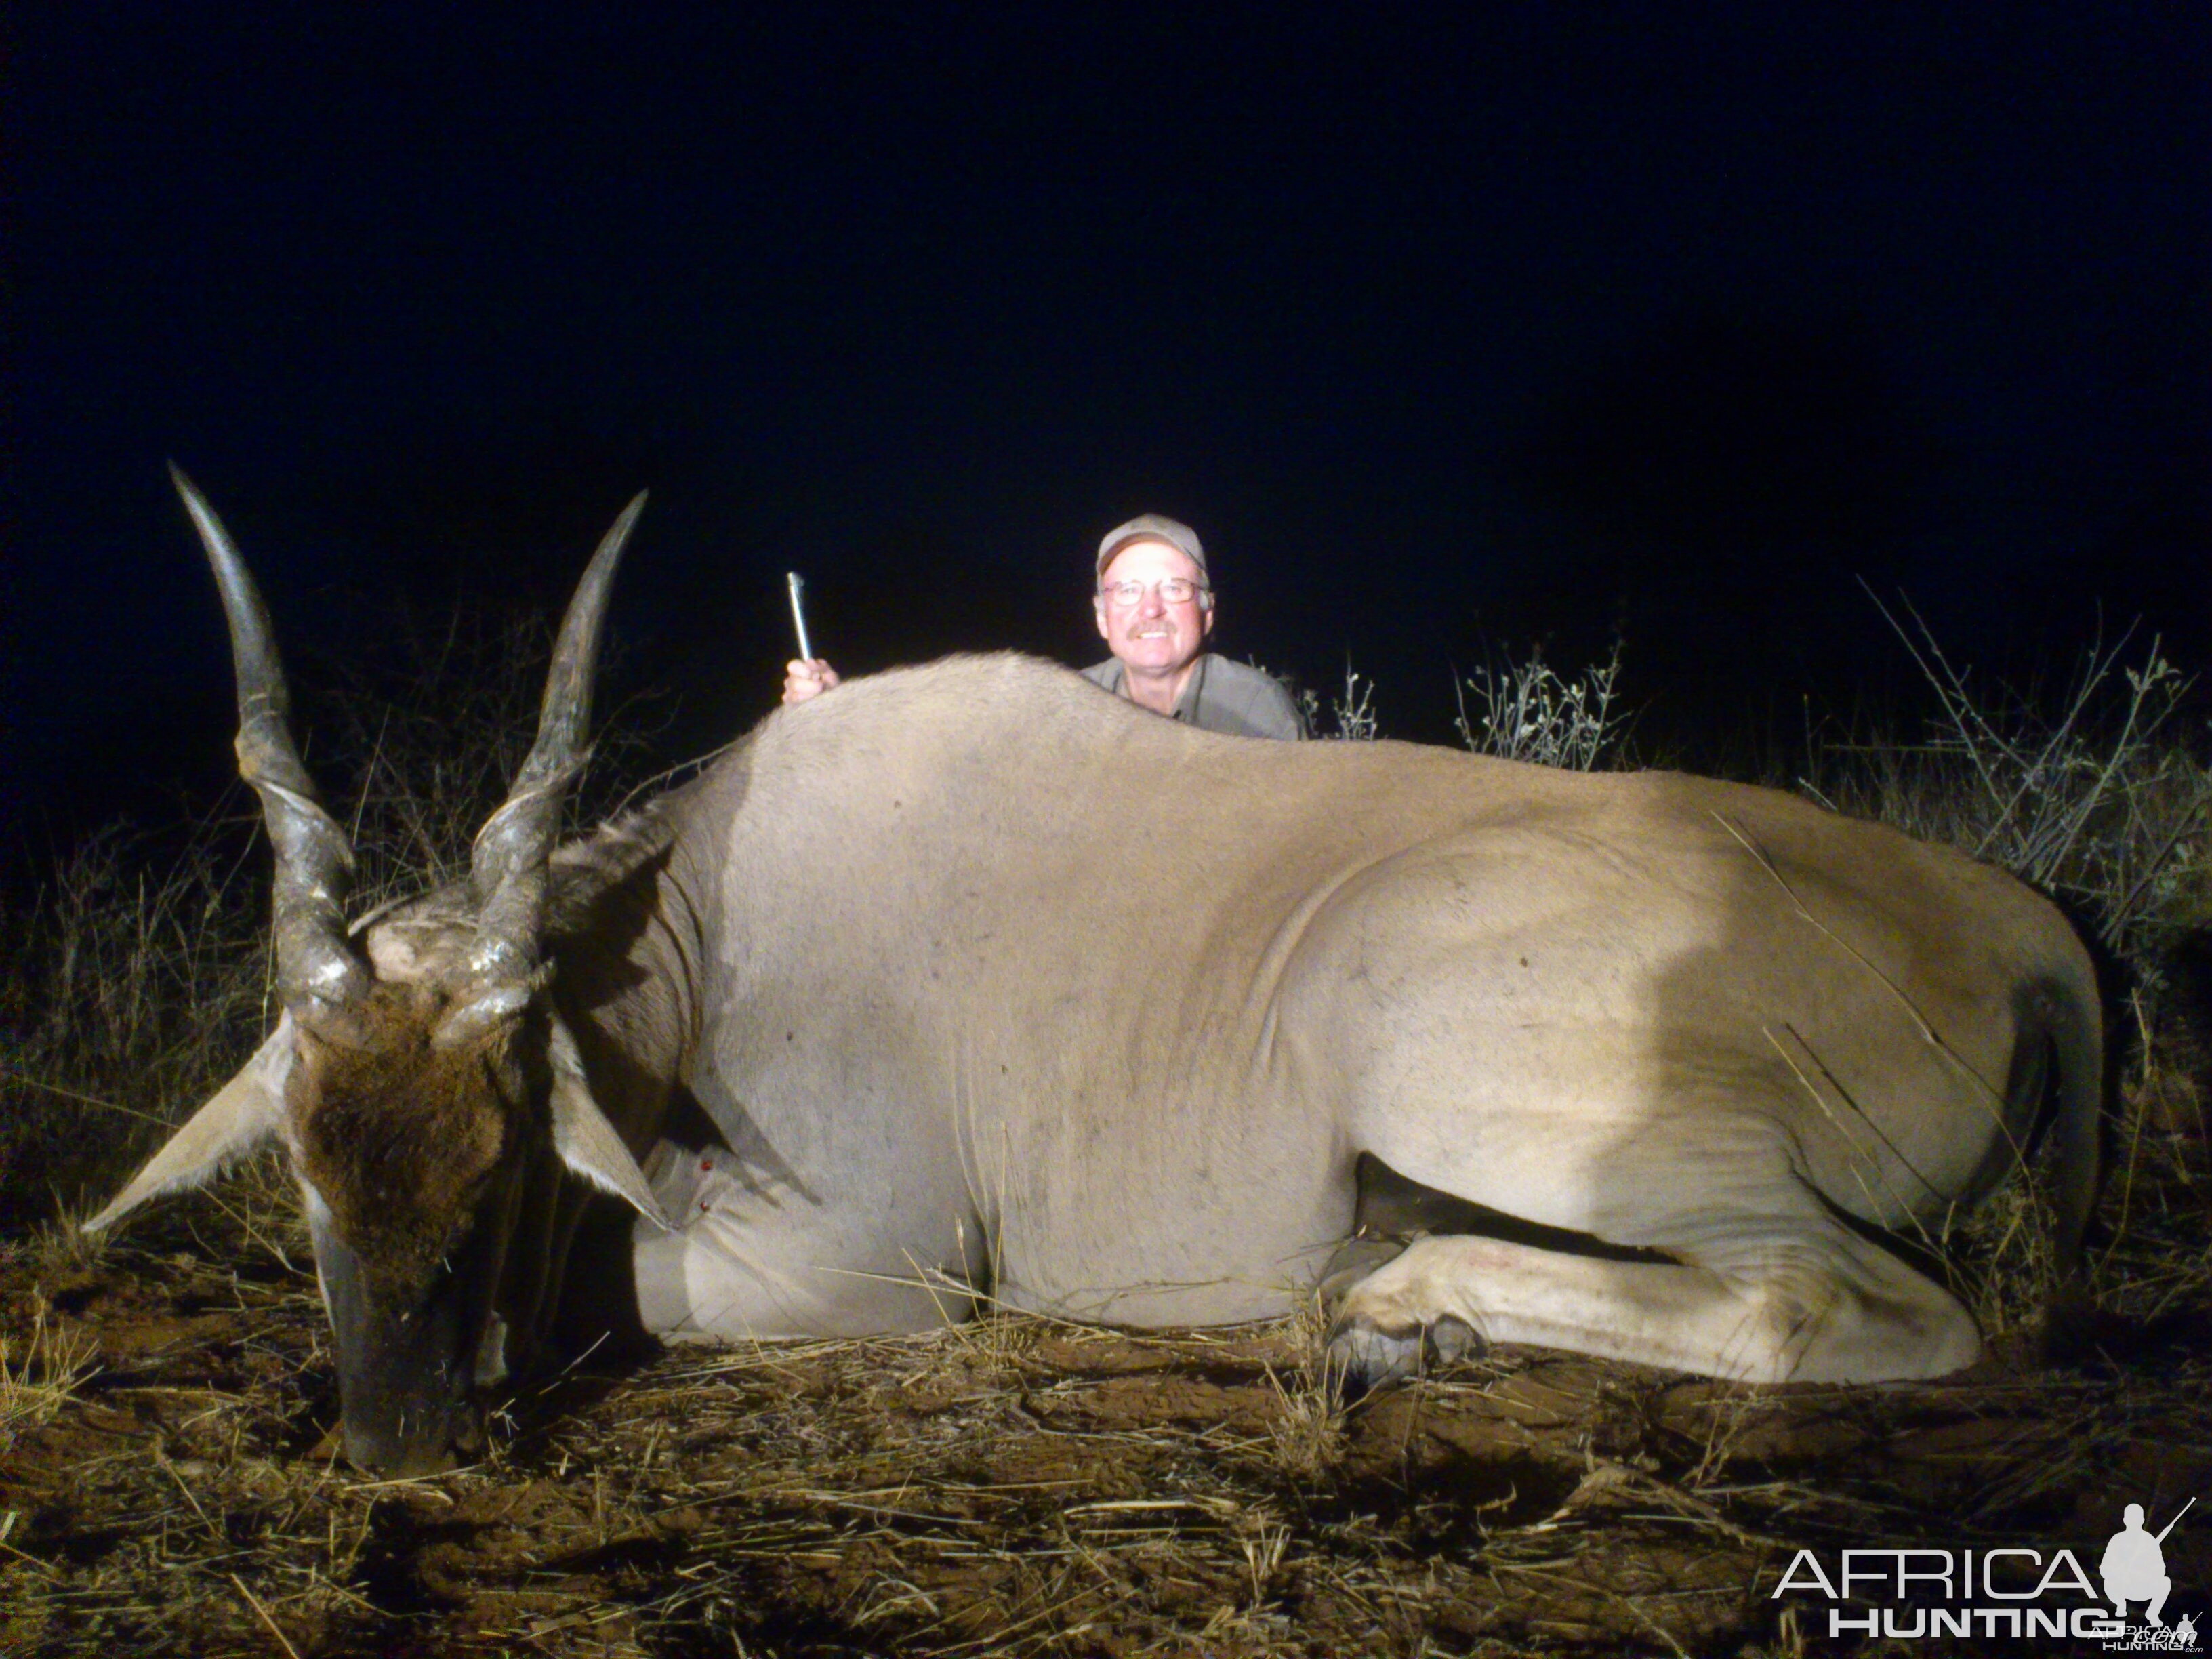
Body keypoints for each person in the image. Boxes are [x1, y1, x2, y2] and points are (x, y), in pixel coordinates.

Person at [781, 513, 1305, 739]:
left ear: (1208, 613)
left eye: (1173, 589)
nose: (1150, 610)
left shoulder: (1257, 710)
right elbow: (966, 751)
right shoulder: (1071, 698)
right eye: (1126, 591)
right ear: (1102, 618)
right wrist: (842, 707)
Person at [2101, 1503, 2173, 1626]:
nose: (2133, 1522)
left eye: (2136, 1519)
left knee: (2165, 1582)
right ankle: (2120, 1605)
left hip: (2143, 1586)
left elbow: (2161, 1569)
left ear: (2142, 1520)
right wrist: (2120, 1570)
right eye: (2130, 1519)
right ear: (2125, 1520)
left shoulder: (2149, 1540)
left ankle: (2153, 1614)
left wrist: (2143, 1570)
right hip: (2122, 1587)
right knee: (2108, 1582)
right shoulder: (2117, 1540)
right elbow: (2105, 1569)